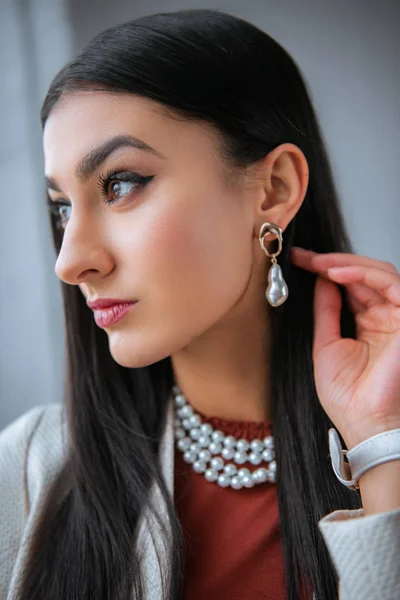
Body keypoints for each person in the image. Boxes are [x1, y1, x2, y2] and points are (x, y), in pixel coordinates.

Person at [1, 8, 399, 600]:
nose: (70, 260)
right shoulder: (27, 471)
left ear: (275, 188)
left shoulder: (390, 443)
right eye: (63, 208)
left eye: (120, 184)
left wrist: (383, 443)